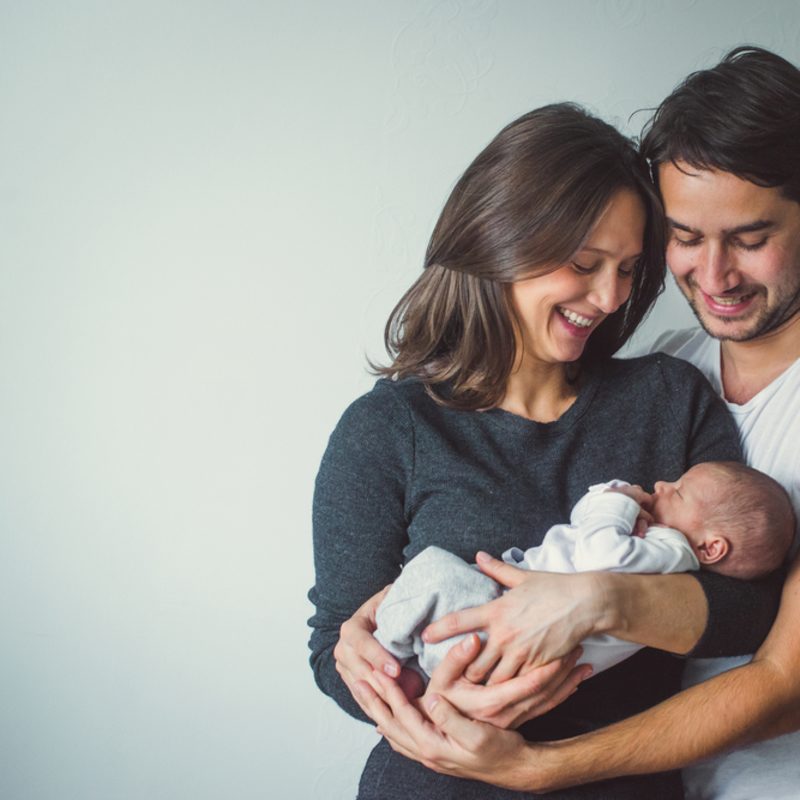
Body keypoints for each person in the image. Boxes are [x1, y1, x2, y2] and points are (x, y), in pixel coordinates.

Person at [352, 46, 800, 800]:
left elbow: (781, 671)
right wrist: (374, 664)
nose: (715, 275)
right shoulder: (677, 362)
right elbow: (344, 628)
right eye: (685, 238)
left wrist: (538, 760)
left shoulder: (668, 394)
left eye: (750, 239)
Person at [374, 464, 794, 679]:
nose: (663, 486)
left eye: (679, 491)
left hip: (496, 629)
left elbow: (597, 553)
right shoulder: (656, 548)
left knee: (432, 567)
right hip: (493, 645)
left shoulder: (672, 552)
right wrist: (614, 496)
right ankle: (403, 668)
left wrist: (621, 502)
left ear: (711, 547)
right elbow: (585, 519)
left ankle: (388, 652)